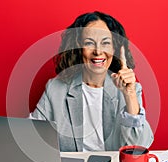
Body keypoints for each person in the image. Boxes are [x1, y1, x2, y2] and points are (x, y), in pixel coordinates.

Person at [29, 11, 154, 151]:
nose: (98, 51)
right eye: (89, 43)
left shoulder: (131, 90)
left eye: (105, 43)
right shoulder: (55, 88)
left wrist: (129, 95)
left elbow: (139, 148)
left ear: (115, 48)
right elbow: (31, 137)